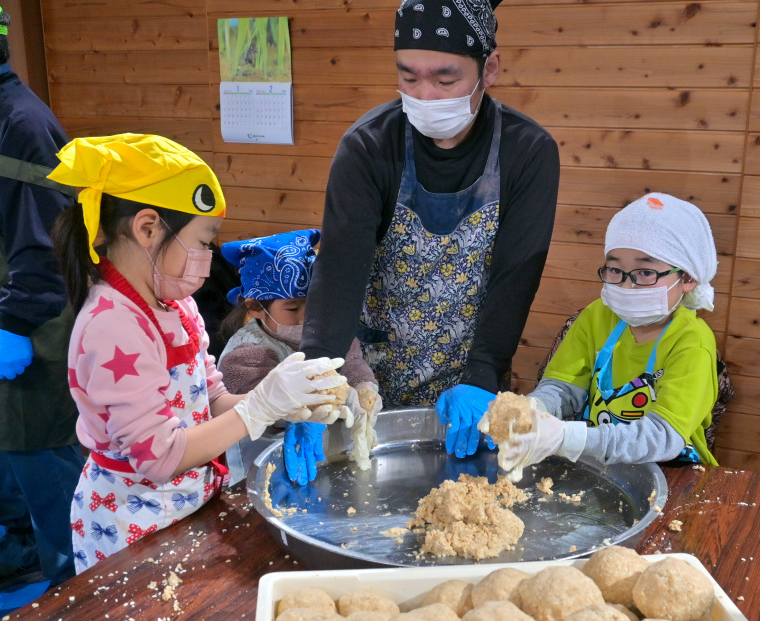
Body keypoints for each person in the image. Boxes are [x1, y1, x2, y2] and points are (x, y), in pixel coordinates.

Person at [48, 133, 347, 572]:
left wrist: (285, 405)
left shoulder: (175, 303)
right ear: (147, 229)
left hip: (189, 506)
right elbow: (159, 457)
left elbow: (209, 400)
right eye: (204, 241)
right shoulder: (112, 325)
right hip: (132, 525)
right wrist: (259, 409)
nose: (208, 256)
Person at [299, 0, 559, 461]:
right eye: (408, 77)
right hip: (373, 380)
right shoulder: (369, 147)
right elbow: (339, 272)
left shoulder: (527, 152)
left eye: (446, 79)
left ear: (490, 68)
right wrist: (318, 386)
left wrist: (482, 376)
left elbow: (517, 275)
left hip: (470, 381)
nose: (426, 95)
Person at [495, 193, 720, 476]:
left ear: (687, 277)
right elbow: (564, 387)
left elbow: (662, 436)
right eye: (615, 270)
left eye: (645, 272)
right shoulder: (596, 317)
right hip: (595, 461)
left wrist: (567, 438)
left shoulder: (692, 343)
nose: (627, 286)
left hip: (673, 470)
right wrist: (535, 407)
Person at [0, 0, 83, 590]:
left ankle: (76, 593)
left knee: (42, 461)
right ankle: (21, 543)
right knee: (2, 455)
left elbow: (45, 245)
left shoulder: (20, 125)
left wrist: (15, 328)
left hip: (31, 333)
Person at [219, 229, 380, 485]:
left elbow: (351, 361)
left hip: (323, 454)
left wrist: (362, 388)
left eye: (314, 304)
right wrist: (297, 410)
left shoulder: (330, 330)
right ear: (255, 307)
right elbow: (260, 408)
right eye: (292, 308)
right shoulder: (246, 353)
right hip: (266, 463)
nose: (305, 318)